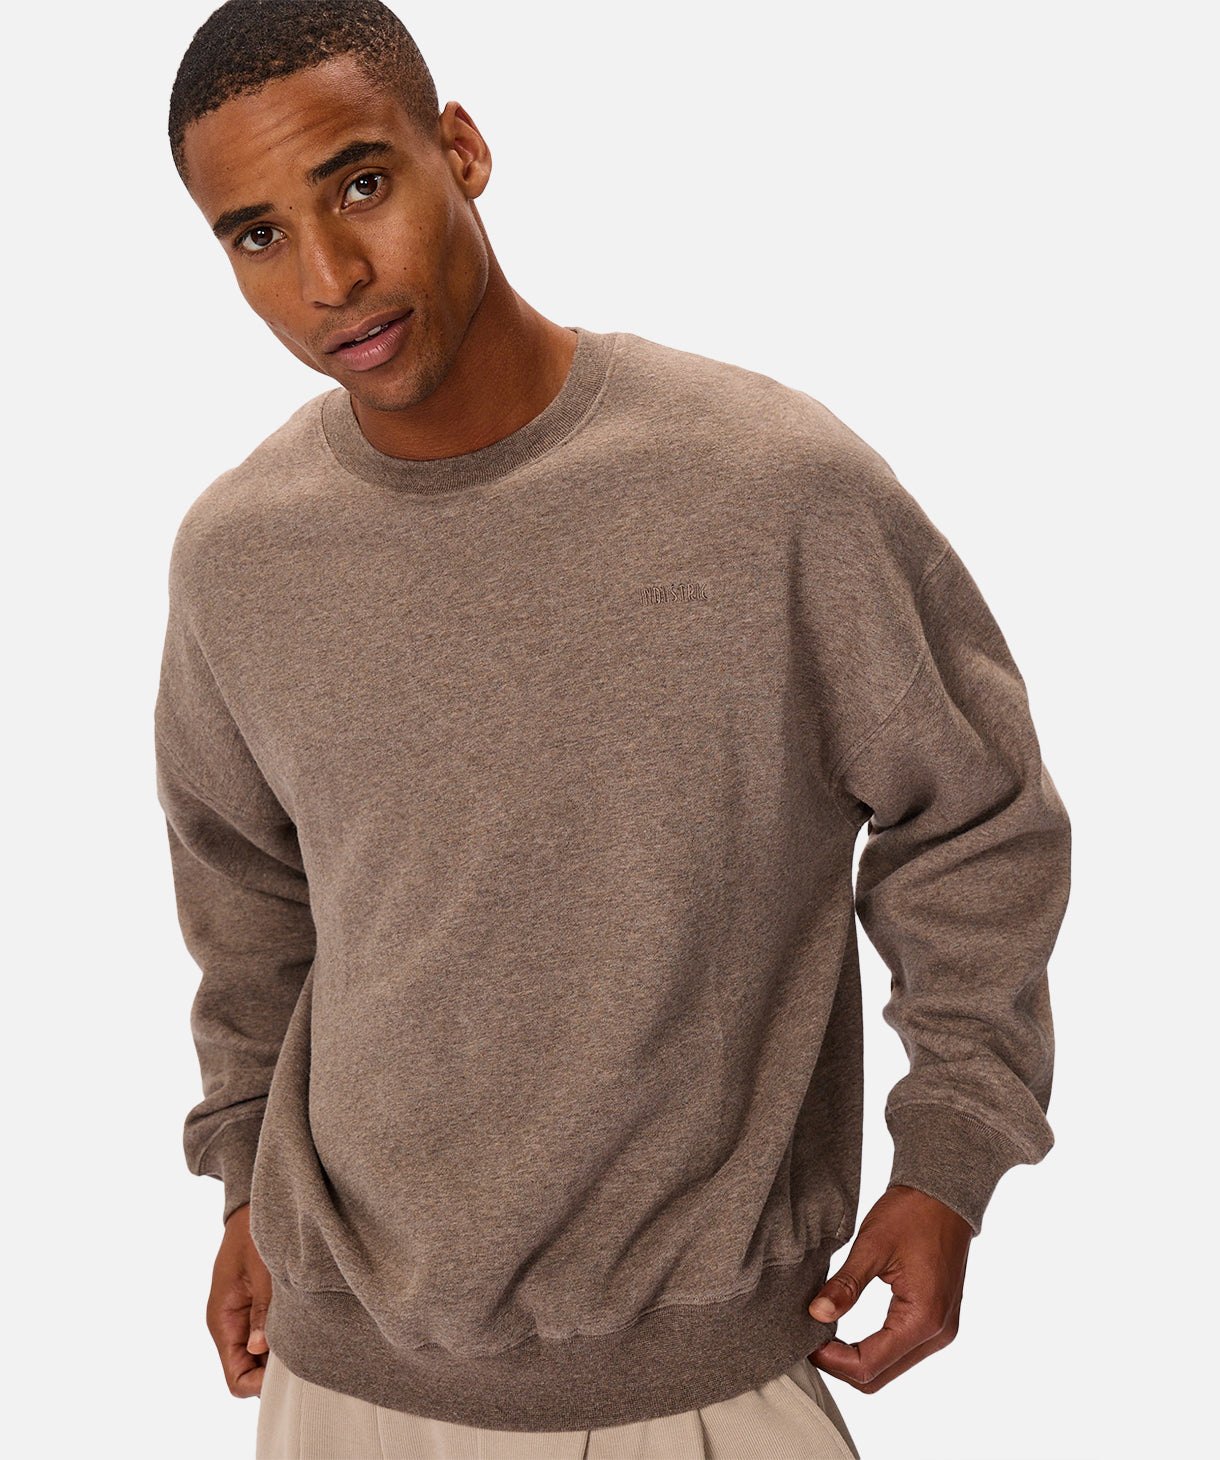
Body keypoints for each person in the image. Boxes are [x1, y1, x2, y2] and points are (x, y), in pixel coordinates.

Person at [154, 2, 1072, 1456]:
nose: (329, 277)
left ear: (462, 150)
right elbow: (249, 904)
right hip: (341, 1382)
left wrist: (950, 1156)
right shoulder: (240, 557)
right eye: (256, 235)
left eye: (362, 184)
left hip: (706, 1378)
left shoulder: (769, 487)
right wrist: (243, 1190)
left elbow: (977, 818)